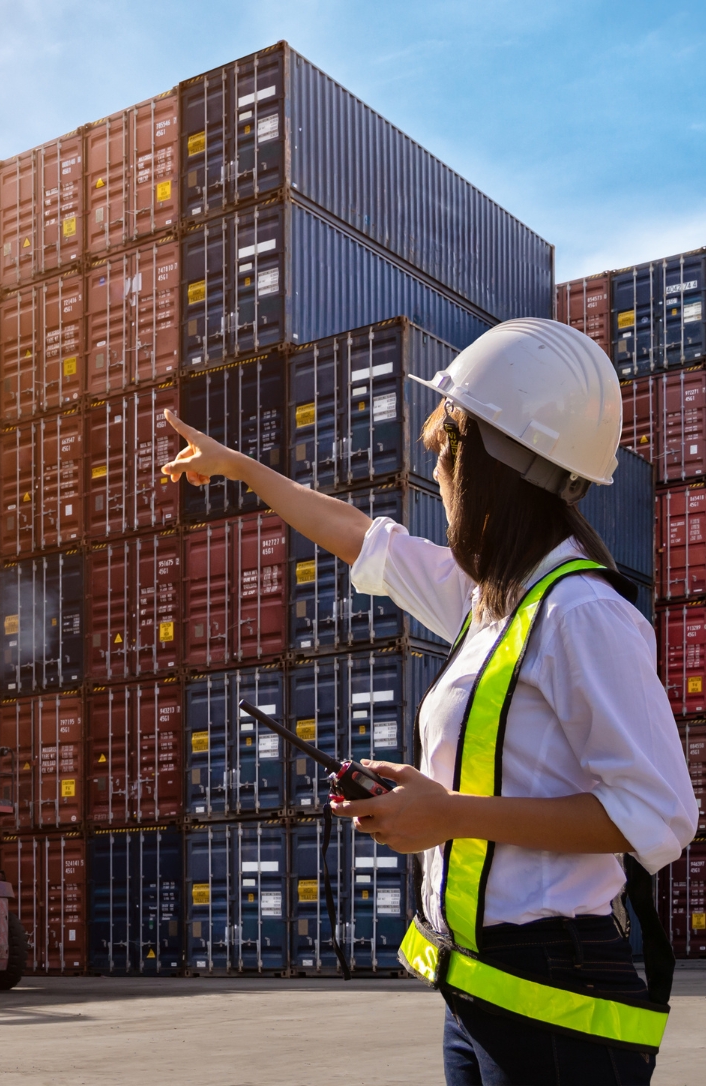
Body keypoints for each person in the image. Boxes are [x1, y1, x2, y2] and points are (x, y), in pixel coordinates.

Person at [161, 318, 697, 1086]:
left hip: (556, 998)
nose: (436, 468)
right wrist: (242, 469)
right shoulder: (490, 601)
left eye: (446, 446)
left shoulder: (580, 611)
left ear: (491, 461)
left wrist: (447, 815)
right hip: (476, 988)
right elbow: (359, 535)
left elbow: (662, 815)